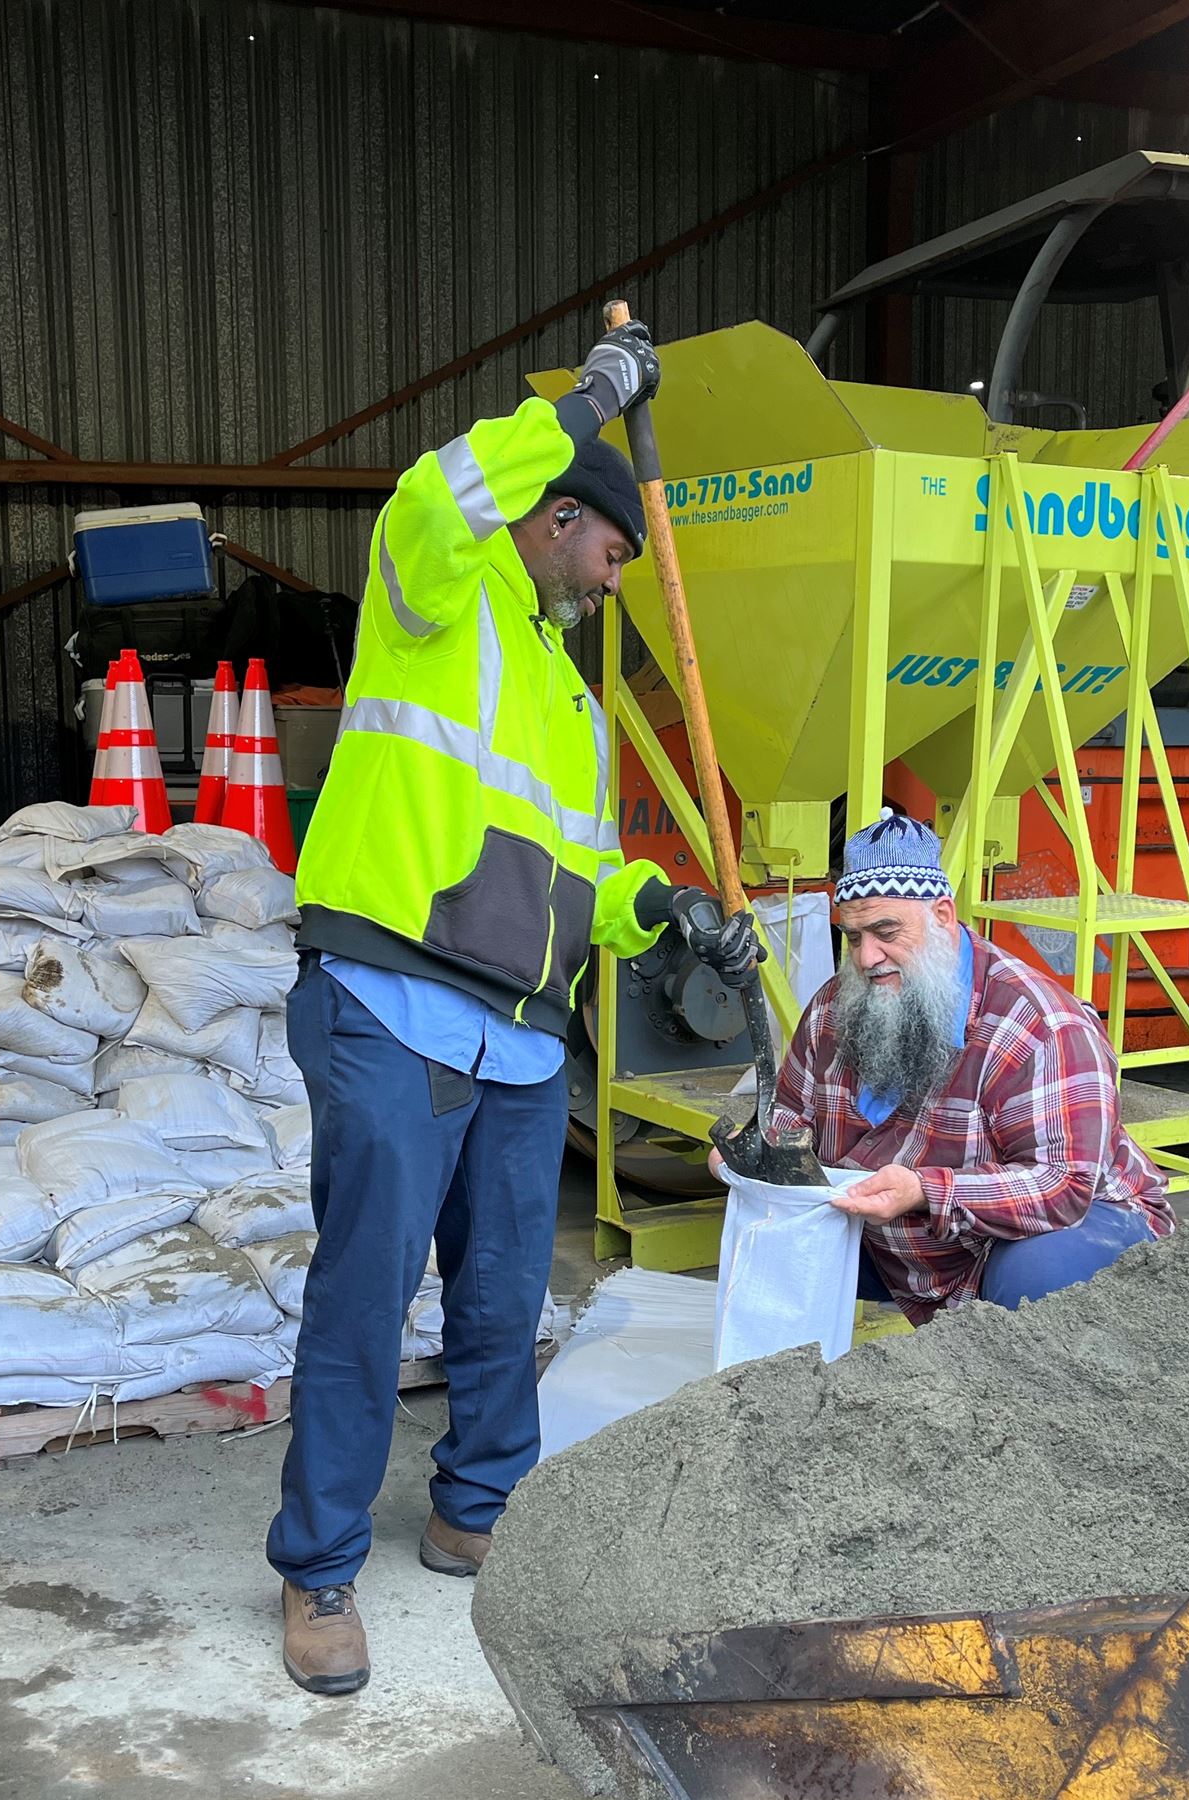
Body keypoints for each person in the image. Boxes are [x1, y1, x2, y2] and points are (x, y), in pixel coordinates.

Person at [273, 321, 757, 1695]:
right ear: (558, 521)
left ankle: (476, 1507)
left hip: (521, 1031)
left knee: (502, 1290)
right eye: (611, 558)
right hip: (394, 995)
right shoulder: (438, 584)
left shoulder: (567, 692)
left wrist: (658, 906)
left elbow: (578, 863)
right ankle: (317, 1568)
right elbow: (441, 488)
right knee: (366, 1293)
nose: (613, 587)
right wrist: (595, 399)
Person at [767, 811, 1171, 1323]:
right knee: (777, 1227)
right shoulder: (834, 1007)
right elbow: (789, 1117)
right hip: (908, 1239)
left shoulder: (1040, 1024)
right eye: (852, 937)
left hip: (1056, 1230)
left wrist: (925, 1191)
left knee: (1036, 1277)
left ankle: (1027, 1391)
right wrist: (757, 1157)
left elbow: (1062, 1185)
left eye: (885, 931)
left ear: (941, 915)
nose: (867, 957)